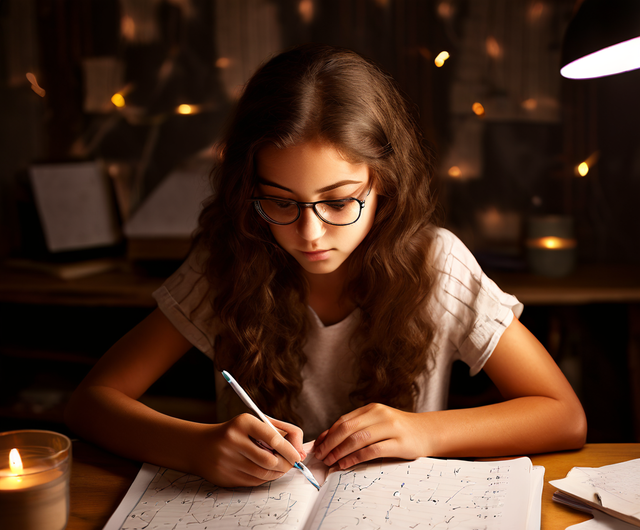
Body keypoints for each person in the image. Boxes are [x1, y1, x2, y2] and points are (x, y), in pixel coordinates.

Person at [65, 44, 586, 488]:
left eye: (338, 203)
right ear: (250, 192)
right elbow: (92, 402)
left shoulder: (436, 263)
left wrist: (427, 432)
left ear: (383, 184)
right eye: (281, 202)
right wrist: (198, 446)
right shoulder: (229, 260)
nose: (310, 234)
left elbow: (563, 416)